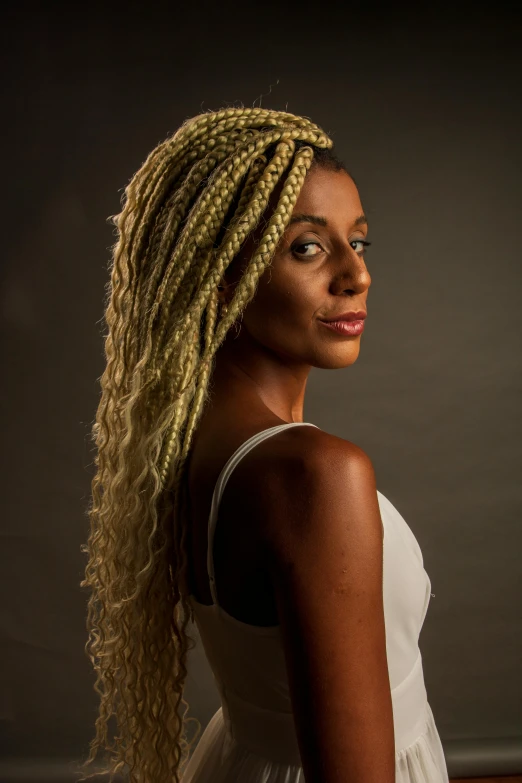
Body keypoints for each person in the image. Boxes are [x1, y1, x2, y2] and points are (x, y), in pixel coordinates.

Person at [79, 107, 450, 783]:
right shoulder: (316, 474)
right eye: (307, 247)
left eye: (358, 242)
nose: (355, 275)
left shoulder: (193, 445)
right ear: (221, 274)